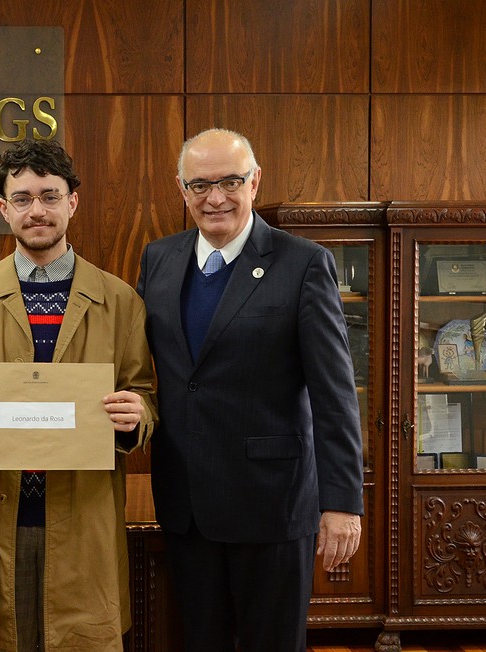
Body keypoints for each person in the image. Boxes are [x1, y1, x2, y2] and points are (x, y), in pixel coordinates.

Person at [137, 128, 364, 652]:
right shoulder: (159, 259)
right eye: (200, 185)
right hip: (187, 506)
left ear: (255, 181)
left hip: (272, 507)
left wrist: (342, 503)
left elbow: (335, 395)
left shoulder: (304, 263)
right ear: (182, 189)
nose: (215, 197)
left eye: (230, 182)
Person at [0, 140, 156, 651]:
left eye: (49, 196)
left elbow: (144, 393)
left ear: (72, 202)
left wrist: (137, 413)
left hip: (84, 511)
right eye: (22, 198)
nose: (36, 210)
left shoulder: (120, 300)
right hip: (2, 509)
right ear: (4, 208)